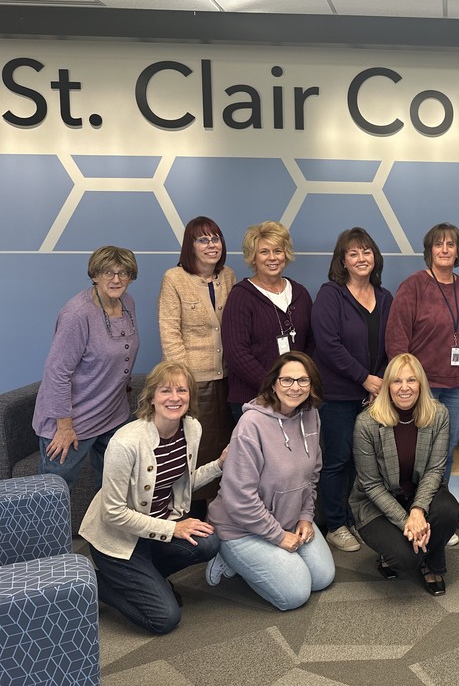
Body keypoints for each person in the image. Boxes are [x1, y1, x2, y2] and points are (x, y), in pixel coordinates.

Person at [80, 361, 223, 634]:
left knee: (209, 543)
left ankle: (148, 578)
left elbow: (181, 482)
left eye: (182, 390)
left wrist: (219, 465)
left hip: (154, 531)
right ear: (152, 398)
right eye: (165, 390)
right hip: (118, 540)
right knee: (165, 619)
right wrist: (173, 528)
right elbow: (113, 512)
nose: (174, 397)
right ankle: (101, 584)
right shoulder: (126, 442)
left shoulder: (191, 428)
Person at [206, 352, 335, 610]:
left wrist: (306, 517)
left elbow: (312, 475)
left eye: (303, 381)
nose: (295, 387)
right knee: (296, 594)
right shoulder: (250, 424)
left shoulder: (311, 416)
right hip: (241, 528)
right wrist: (277, 537)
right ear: (274, 384)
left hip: (288, 519)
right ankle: (227, 555)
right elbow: (240, 498)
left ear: (312, 386)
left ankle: (270, 559)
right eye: (287, 380)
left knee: (322, 578)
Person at [350, 353, 459, 596]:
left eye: (411, 380)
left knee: (448, 512)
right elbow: (371, 486)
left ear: (420, 384)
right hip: (376, 501)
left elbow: (435, 469)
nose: (404, 388)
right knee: (405, 560)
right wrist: (408, 522)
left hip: (421, 493)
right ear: (387, 385)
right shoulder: (366, 423)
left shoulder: (438, 414)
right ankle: (400, 552)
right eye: (397, 381)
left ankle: (431, 564)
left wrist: (417, 510)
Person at [312, 228, 393, 554]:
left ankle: (360, 517)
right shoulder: (331, 294)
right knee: (338, 460)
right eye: (354, 253)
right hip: (338, 395)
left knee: (369, 462)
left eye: (367, 252)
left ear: (375, 257)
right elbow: (328, 344)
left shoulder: (385, 297)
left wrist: (382, 381)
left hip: (374, 395)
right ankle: (335, 524)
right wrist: (365, 378)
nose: (362, 258)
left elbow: (393, 344)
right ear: (342, 261)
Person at [33, 246, 140, 489]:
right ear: (94, 275)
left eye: (123, 273)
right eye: (108, 273)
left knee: (113, 493)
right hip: (72, 422)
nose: (116, 279)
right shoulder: (77, 314)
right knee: (51, 496)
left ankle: (101, 530)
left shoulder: (127, 302)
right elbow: (56, 373)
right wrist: (65, 427)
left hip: (113, 417)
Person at [386, 223, 459, 496]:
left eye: (451, 245)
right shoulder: (414, 285)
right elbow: (396, 336)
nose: (445, 250)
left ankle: (437, 512)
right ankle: (412, 511)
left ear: (458, 251)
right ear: (430, 251)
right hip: (422, 385)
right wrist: (405, 381)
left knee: (445, 452)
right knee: (416, 452)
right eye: (439, 244)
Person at [158, 216, 236, 514]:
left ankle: (223, 515)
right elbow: (170, 332)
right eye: (203, 239)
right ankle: (190, 515)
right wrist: (182, 384)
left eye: (215, 238)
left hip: (228, 379)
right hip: (194, 383)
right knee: (196, 450)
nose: (211, 245)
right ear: (190, 246)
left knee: (226, 449)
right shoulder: (174, 278)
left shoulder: (228, 276)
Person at [223, 220, 315, 420]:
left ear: (286, 254)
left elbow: (311, 344)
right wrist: (275, 386)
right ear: (253, 257)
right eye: (264, 252)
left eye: (278, 251)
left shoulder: (300, 293)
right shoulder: (241, 296)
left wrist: (296, 385)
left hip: (296, 398)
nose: (272, 258)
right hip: (253, 400)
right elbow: (236, 352)